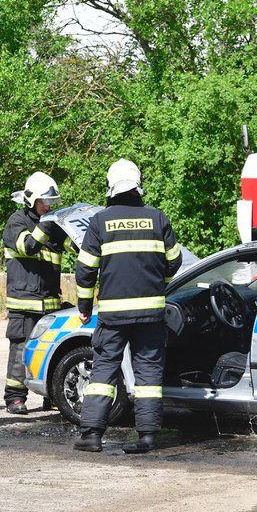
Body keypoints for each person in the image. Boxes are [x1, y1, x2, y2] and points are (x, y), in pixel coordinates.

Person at [73, 159, 181, 453]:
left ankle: (92, 434)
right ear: (137, 184)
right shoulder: (157, 218)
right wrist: (160, 283)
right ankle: (147, 436)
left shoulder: (99, 222)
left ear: (111, 187)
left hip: (114, 315)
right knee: (148, 374)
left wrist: (83, 304)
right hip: (151, 313)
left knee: (104, 372)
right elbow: (174, 261)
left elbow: (84, 270)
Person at [2, 171, 73, 414]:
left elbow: (72, 244)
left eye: (52, 202)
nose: (49, 206)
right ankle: (14, 398)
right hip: (25, 303)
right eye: (45, 202)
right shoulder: (17, 222)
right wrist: (47, 225)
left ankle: (52, 396)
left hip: (50, 302)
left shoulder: (53, 224)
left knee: (52, 351)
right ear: (31, 200)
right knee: (21, 350)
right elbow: (28, 247)